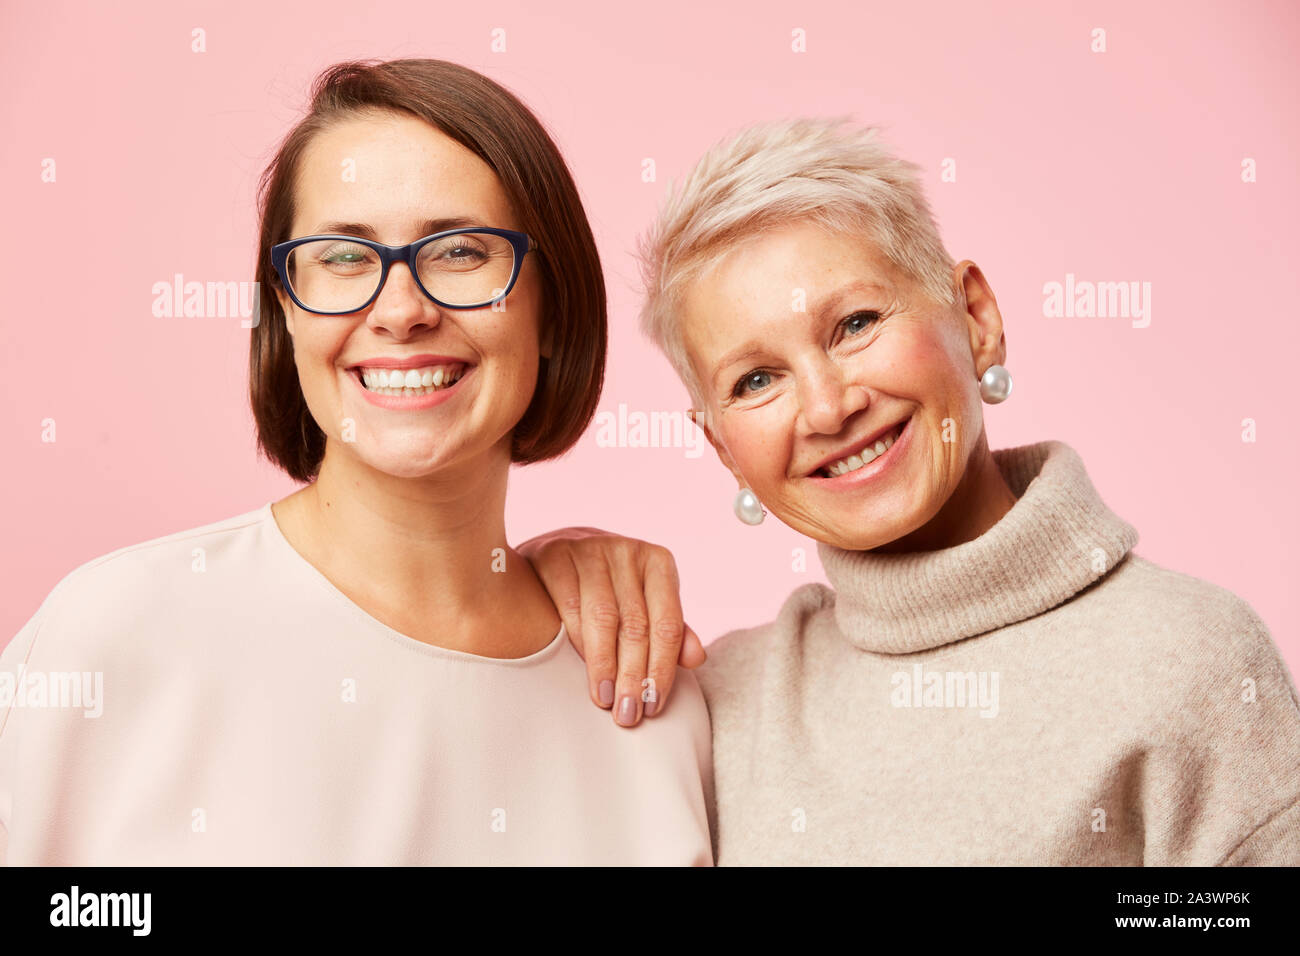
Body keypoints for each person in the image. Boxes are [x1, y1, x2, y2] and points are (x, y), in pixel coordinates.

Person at [521, 117, 1300, 864]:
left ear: (977, 316)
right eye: (757, 380)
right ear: (721, 446)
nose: (829, 408)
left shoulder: (1188, 655)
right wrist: (529, 578)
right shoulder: (715, 705)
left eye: (855, 324)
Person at [0, 58, 713, 866]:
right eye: (343, 258)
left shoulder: (653, 700)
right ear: (286, 310)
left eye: (461, 252)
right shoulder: (118, 632)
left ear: (552, 307)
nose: (402, 311)